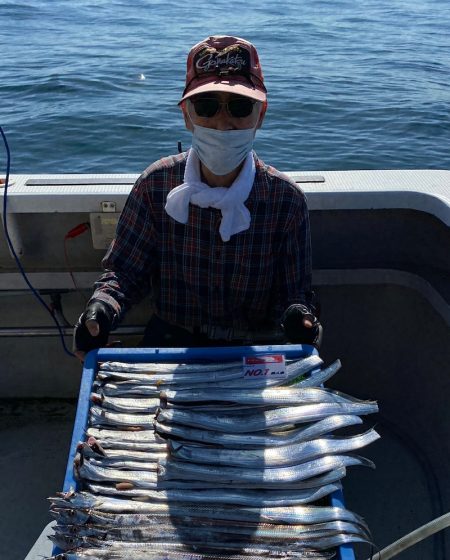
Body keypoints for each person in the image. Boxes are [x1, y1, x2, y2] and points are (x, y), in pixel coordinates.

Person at [74, 35, 321, 358]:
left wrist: (297, 317)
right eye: (205, 107)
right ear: (186, 115)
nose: (222, 123)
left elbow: (293, 291)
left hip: (254, 346)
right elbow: (125, 274)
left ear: (260, 115)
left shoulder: (286, 199)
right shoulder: (155, 184)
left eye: (240, 106)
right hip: (172, 339)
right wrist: (101, 311)